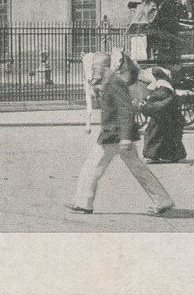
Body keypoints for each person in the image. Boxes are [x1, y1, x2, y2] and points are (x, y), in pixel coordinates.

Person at [66, 50, 175, 216]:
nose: (93, 69)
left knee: (92, 167)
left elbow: (125, 110)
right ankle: (163, 201)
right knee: (138, 169)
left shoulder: (114, 82)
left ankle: (84, 203)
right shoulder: (109, 81)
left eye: (95, 66)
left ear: (103, 66)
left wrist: (124, 138)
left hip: (115, 135)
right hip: (117, 135)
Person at [139, 76, 187, 164]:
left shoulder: (162, 95)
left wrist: (144, 106)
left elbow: (157, 107)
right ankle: (171, 155)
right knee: (165, 135)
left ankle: (152, 155)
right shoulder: (168, 94)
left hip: (165, 120)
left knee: (155, 134)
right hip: (167, 119)